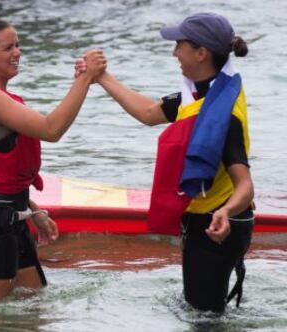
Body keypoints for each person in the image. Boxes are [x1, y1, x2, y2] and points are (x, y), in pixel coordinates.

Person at [75, 12, 254, 313]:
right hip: (209, 221)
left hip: (219, 225)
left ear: (201, 53)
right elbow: (148, 112)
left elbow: (246, 186)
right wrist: (100, 77)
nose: (174, 53)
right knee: (201, 310)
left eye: (179, 45)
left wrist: (224, 211)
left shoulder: (223, 116)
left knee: (203, 318)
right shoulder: (205, 91)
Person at [0, 18, 106, 301]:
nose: (18, 52)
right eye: (8, 47)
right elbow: (51, 130)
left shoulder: (2, 97)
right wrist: (85, 80)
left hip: (9, 209)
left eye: (18, 45)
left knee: (34, 303)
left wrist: (32, 210)